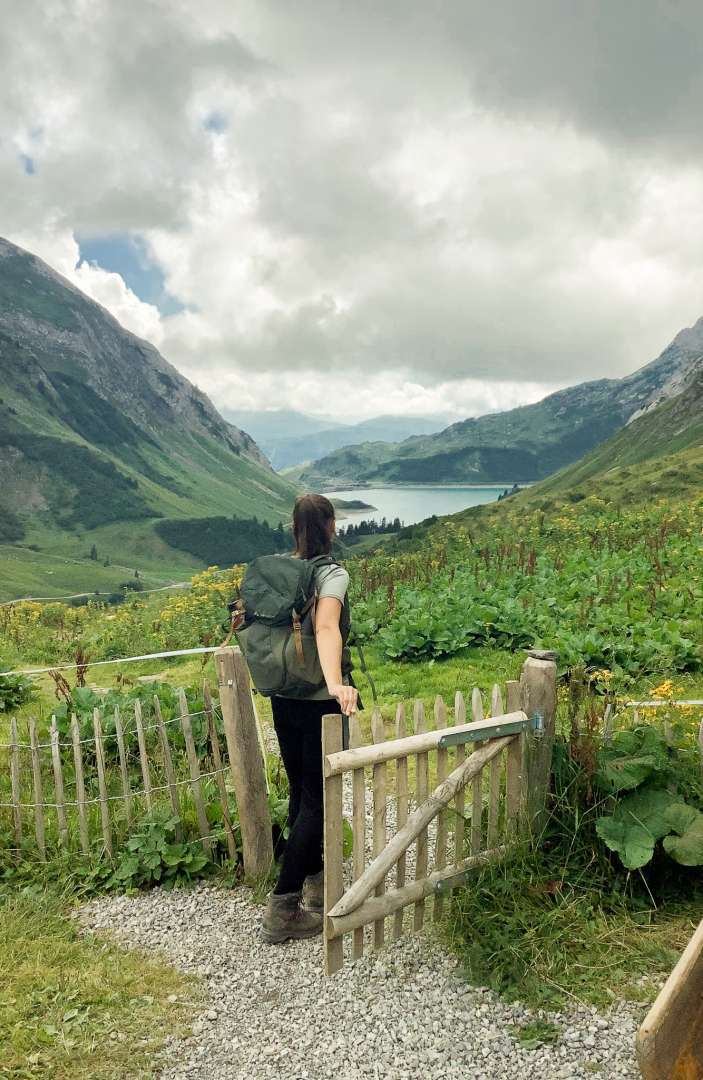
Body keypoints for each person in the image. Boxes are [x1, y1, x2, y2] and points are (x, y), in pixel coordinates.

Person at [262, 493, 358, 945]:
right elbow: (325, 627)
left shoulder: (282, 571)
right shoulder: (330, 574)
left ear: (293, 528)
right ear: (332, 526)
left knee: (302, 793)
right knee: (319, 799)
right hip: (319, 698)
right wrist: (336, 683)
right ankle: (283, 908)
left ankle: (316, 885)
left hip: (284, 694)